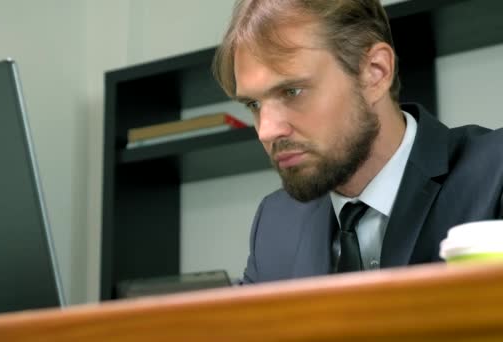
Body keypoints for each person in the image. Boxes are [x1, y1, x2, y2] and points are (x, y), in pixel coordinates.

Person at [212, 0, 503, 283]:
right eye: (253, 104)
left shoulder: (495, 177)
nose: (267, 130)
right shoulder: (276, 223)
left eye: (292, 91)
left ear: (376, 72)